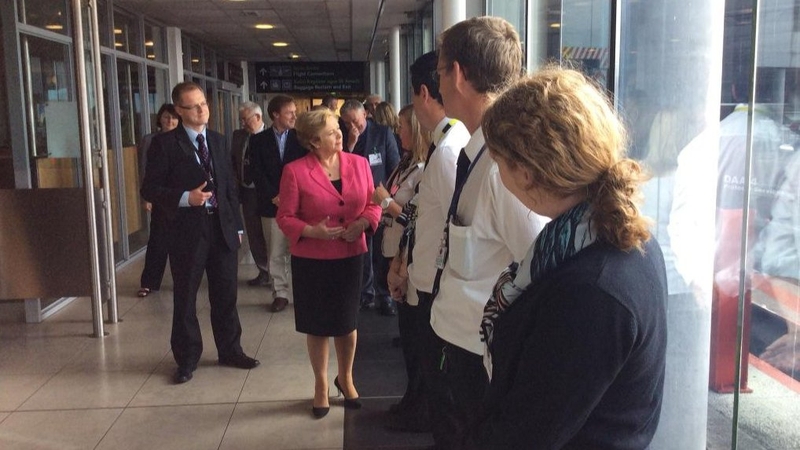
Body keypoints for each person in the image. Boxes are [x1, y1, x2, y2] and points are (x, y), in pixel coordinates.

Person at [463, 67, 668, 448]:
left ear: (524, 173)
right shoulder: (622, 238)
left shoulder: (590, 290)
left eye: (500, 163)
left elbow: (527, 432)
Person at [423, 17, 548, 449]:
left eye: (439, 72)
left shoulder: (500, 167)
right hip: (463, 346)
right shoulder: (476, 152)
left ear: (456, 73)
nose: (437, 85)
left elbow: (543, 263)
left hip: (480, 361)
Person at [141, 81, 260, 385]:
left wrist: (236, 226)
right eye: (193, 106)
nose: (201, 110)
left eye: (203, 103)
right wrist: (185, 198)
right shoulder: (164, 144)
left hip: (221, 228)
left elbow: (229, 186)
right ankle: (187, 358)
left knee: (226, 295)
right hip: (186, 232)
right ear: (179, 111)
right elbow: (150, 188)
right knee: (185, 298)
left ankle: (230, 350)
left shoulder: (219, 141)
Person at [384, 50, 472, 433]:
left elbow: (456, 230)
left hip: (437, 293)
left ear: (423, 92)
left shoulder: (450, 150)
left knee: (444, 398)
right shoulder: (443, 145)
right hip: (425, 285)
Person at [276, 109, 381, 418]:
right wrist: (312, 231)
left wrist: (362, 223)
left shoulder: (359, 164)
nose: (340, 134)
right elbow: (285, 217)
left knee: (347, 323)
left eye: (339, 128)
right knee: (319, 325)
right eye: (333, 131)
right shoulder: (294, 171)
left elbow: (374, 203)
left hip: (349, 256)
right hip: (312, 259)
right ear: (312, 140)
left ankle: (345, 378)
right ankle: (321, 384)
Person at [340, 99, 400, 314]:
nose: (352, 127)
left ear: (364, 114)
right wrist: (351, 145)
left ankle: (384, 295)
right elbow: (342, 166)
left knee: (381, 252)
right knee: (363, 251)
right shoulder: (344, 136)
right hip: (357, 202)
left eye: (355, 121)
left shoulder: (382, 133)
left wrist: (390, 196)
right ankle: (365, 294)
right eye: (347, 123)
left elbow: (394, 165)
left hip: (380, 199)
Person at [372, 104, 428, 328]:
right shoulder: (405, 163)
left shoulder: (425, 169)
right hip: (391, 245)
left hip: (406, 252)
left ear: (415, 129)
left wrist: (385, 201)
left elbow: (412, 218)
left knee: (411, 317)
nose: (398, 132)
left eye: (402, 126)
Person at [249, 95, 307, 313]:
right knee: (275, 252)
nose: (294, 115)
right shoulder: (257, 140)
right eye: (289, 112)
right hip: (271, 205)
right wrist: (274, 195)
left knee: (299, 251)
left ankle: (301, 293)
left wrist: (292, 196)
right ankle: (280, 293)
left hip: (299, 206)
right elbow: (257, 172)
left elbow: (307, 168)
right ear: (275, 114)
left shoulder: (301, 139)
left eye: (294, 111)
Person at [137, 103, 180, 297]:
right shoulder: (150, 140)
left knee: (181, 243)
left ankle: (182, 281)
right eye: (165, 117)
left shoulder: (184, 139)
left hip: (182, 197)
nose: (169, 121)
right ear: (159, 119)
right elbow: (144, 170)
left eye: (173, 118)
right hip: (159, 197)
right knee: (157, 241)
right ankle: (149, 282)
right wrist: (147, 197)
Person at [230, 101, 270, 287]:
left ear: (258, 117)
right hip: (247, 191)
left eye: (246, 120)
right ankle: (263, 271)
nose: (243, 124)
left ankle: (276, 274)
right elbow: (232, 162)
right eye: (241, 120)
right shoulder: (238, 137)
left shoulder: (271, 136)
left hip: (268, 194)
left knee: (271, 235)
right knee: (253, 233)